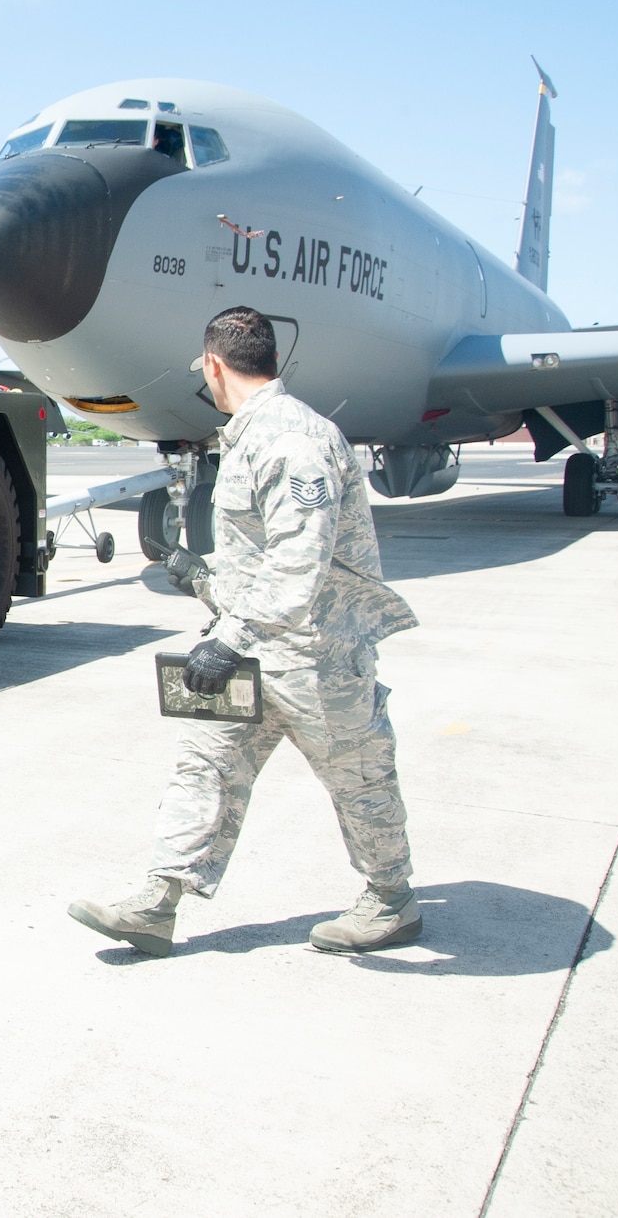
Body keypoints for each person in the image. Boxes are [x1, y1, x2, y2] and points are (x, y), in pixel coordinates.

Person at [68, 306, 422, 957]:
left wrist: (227, 638)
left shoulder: (291, 436)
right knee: (203, 764)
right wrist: (203, 578)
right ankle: (159, 899)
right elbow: (263, 560)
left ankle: (392, 898)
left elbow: (299, 557)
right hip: (253, 648)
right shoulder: (251, 434)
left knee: (359, 780)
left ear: (212, 365)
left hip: (318, 656)